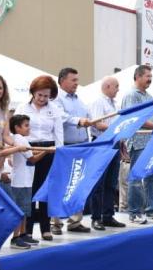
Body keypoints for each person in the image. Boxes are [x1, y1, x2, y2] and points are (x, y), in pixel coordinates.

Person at [15, 75, 63, 240]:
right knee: (29, 189)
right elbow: (15, 131)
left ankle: (45, 227)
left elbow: (59, 135)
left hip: (49, 149)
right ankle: (26, 229)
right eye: (39, 95)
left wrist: (58, 153)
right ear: (33, 92)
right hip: (28, 148)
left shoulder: (54, 109)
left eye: (46, 96)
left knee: (45, 190)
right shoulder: (22, 107)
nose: (42, 99)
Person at [122, 65, 153, 224]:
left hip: (151, 141)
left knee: (152, 177)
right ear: (138, 76)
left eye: (151, 77)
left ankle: (152, 210)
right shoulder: (131, 95)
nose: (150, 79)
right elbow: (135, 119)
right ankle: (134, 212)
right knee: (136, 178)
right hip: (138, 141)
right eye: (147, 76)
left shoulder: (149, 96)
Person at [52, 67, 91, 235]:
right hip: (64, 146)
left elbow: (87, 118)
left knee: (77, 184)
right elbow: (61, 117)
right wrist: (80, 121)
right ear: (62, 81)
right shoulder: (55, 99)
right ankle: (55, 222)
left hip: (81, 145)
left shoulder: (80, 101)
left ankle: (75, 221)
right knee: (60, 184)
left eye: (77, 79)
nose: (77, 83)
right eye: (73, 80)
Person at [88, 76, 126, 231]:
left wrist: (120, 136)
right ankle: (96, 218)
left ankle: (108, 216)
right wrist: (116, 130)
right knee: (98, 183)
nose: (118, 89)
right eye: (116, 86)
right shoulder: (98, 102)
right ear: (108, 86)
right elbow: (97, 123)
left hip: (114, 143)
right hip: (101, 143)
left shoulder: (115, 105)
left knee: (111, 182)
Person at [7, 115, 44, 248]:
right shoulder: (19, 139)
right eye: (26, 125)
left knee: (25, 210)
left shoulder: (23, 140)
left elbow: (31, 152)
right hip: (20, 182)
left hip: (27, 181)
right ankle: (15, 237)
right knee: (20, 211)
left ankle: (23, 234)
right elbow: (32, 159)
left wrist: (44, 149)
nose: (29, 128)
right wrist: (47, 152)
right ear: (17, 128)